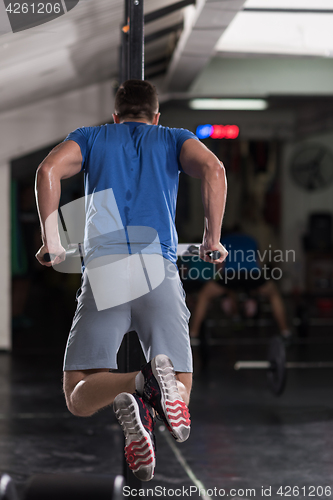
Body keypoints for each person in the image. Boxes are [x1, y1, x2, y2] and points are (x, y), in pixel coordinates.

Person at [35, 80, 228, 482]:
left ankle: (139, 383)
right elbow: (214, 168)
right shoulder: (174, 137)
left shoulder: (91, 137)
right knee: (181, 386)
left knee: (78, 395)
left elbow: (48, 169)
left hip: (105, 269)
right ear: (156, 116)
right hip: (157, 267)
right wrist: (212, 239)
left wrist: (52, 241)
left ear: (115, 115)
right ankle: (153, 385)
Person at [190, 229, 292, 340]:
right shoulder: (251, 239)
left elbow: (220, 267)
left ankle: (193, 335)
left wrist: (221, 286)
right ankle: (285, 331)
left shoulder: (223, 240)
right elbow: (259, 264)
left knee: (204, 295)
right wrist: (255, 288)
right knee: (274, 294)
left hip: (231, 274)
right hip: (252, 274)